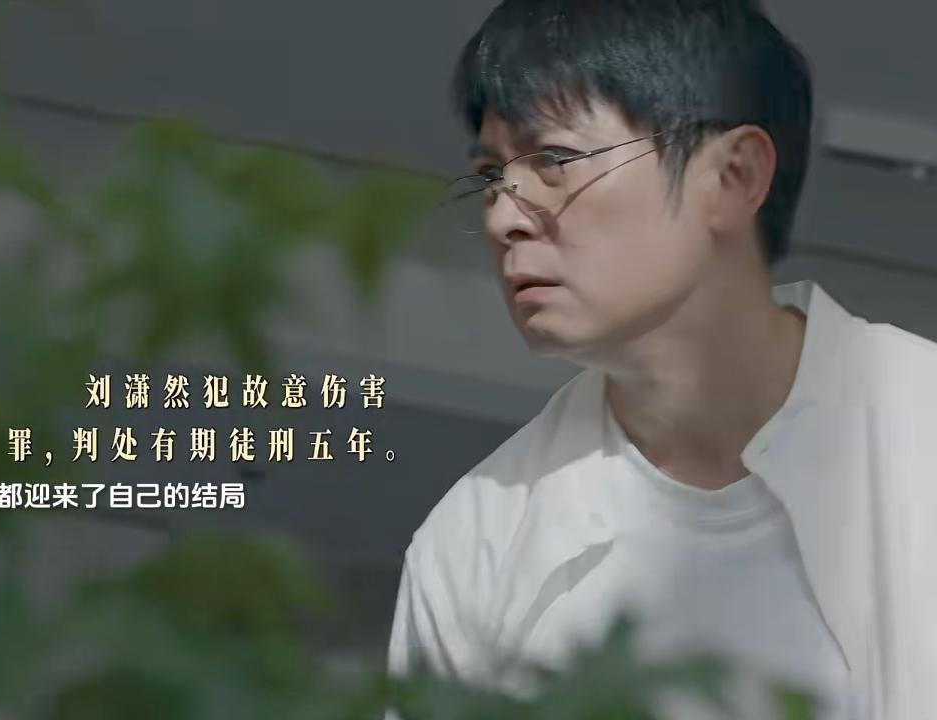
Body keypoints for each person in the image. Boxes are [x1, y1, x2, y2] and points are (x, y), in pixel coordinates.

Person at [384, 0, 937, 718]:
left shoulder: (919, 428)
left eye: (556, 159)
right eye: (492, 175)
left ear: (733, 176)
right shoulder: (475, 542)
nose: (504, 215)